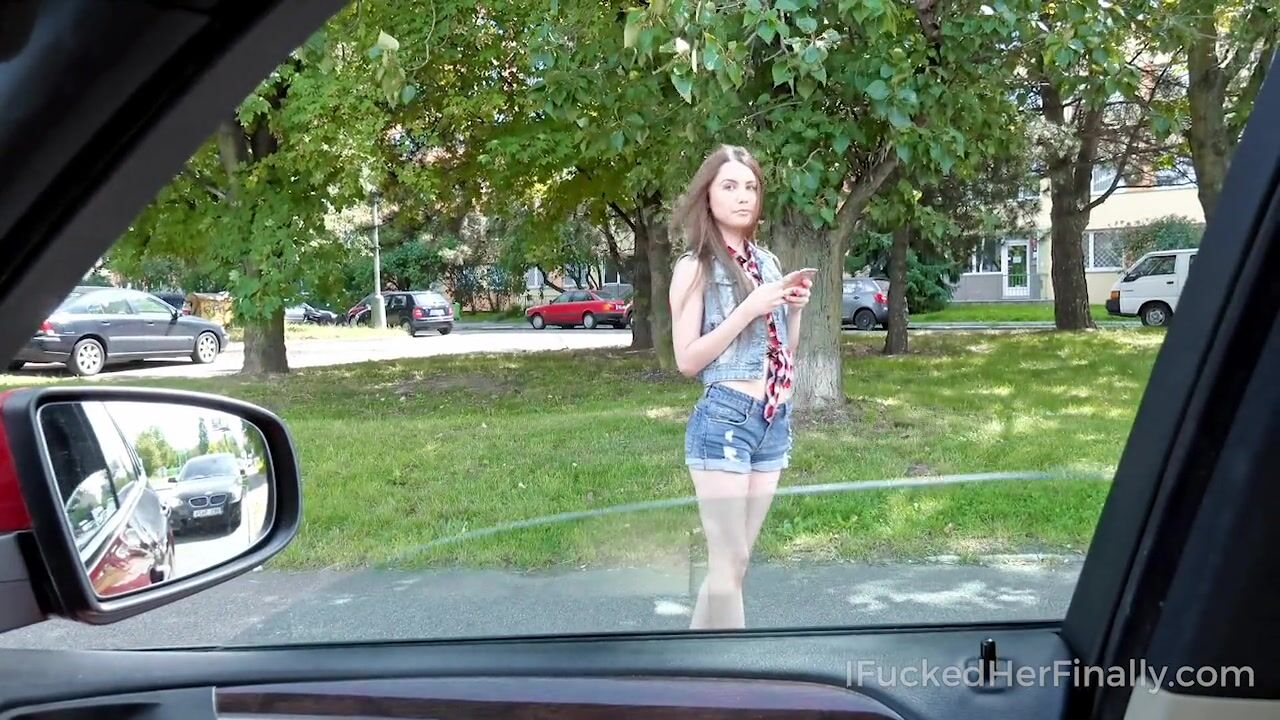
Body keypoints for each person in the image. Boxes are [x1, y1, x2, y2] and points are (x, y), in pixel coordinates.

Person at [668, 145, 813, 629]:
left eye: (750, 187)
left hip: (773, 420)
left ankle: (693, 663)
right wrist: (747, 309)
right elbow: (687, 359)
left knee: (735, 565)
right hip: (725, 418)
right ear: (707, 197)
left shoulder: (767, 263)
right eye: (729, 186)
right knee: (727, 566)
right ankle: (735, 670)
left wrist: (793, 308)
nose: (743, 196)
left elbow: (783, 350)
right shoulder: (695, 267)